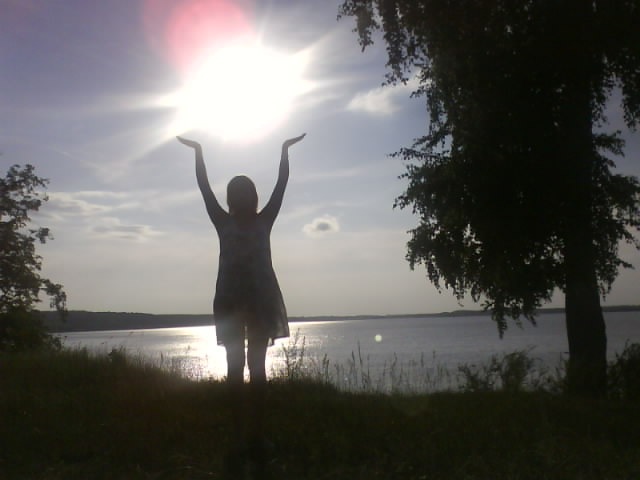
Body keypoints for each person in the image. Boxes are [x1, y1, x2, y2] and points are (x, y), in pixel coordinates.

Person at [177, 133, 305, 463]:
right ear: (231, 198)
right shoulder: (222, 221)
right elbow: (204, 188)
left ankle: (257, 438)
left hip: (261, 301)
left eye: (246, 191)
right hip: (230, 302)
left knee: (257, 369)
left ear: (253, 196)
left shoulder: (265, 220)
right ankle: (237, 440)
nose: (242, 196)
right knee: (235, 369)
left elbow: (281, 185)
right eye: (237, 192)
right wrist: (199, 152)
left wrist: (284, 151)